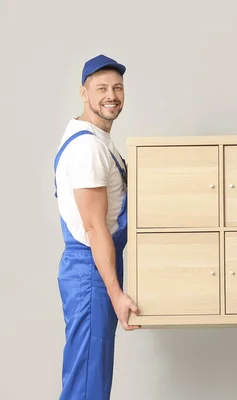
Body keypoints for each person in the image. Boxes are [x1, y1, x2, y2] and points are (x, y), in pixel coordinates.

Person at [53, 54, 140, 400]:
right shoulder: (88, 147)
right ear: (83, 92)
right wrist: (116, 293)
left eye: (117, 88)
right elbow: (95, 228)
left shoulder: (99, 140)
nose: (112, 95)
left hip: (95, 266)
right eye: (101, 88)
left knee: (91, 374)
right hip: (91, 268)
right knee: (88, 380)